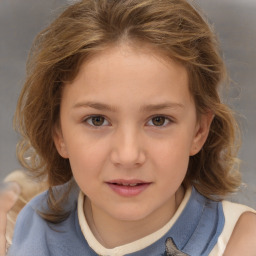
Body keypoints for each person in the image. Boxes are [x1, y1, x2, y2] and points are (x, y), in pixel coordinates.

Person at [5, 0, 256, 255]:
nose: (127, 155)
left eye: (158, 120)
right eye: (97, 120)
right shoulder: (18, 231)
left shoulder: (240, 243)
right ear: (58, 133)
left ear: (199, 130)